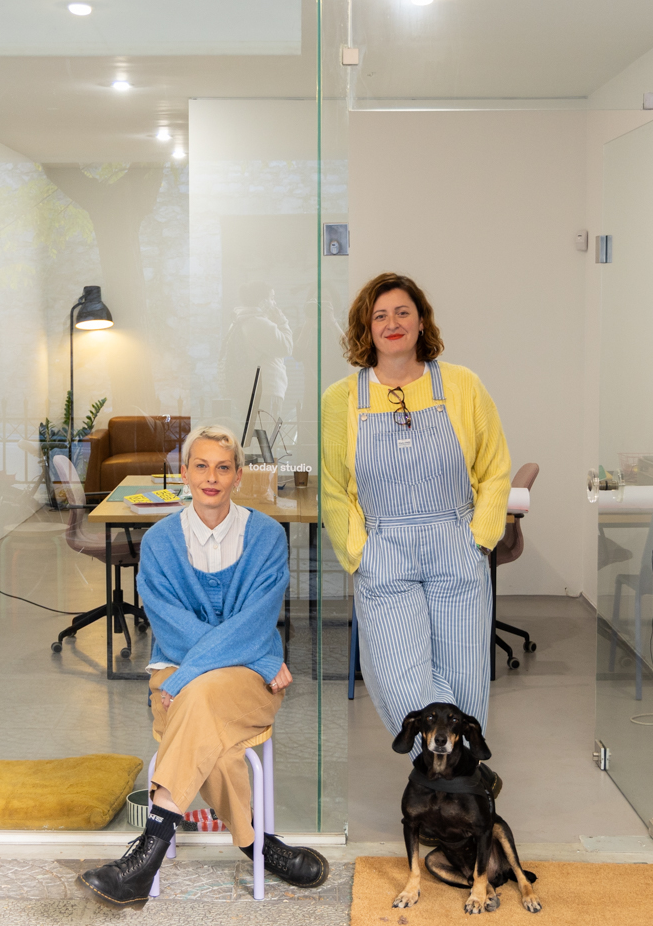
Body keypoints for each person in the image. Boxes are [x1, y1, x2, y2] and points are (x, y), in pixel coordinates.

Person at [78, 424, 329, 909]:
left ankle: (144, 857)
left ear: (238, 476)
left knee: (199, 697)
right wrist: (259, 653)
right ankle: (259, 846)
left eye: (223, 467)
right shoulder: (159, 542)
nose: (211, 477)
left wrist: (207, 668)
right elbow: (171, 630)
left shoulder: (267, 537)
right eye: (201, 466)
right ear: (184, 473)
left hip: (218, 682)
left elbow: (257, 621)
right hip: (216, 671)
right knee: (211, 726)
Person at [319, 273, 511, 784]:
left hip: (455, 541)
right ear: (366, 329)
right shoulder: (341, 399)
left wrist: (479, 539)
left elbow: (495, 469)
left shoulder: (462, 385)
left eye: (402, 312)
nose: (392, 323)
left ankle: (462, 788)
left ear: (421, 321)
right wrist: (358, 552)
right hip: (383, 547)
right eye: (379, 315)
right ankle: (454, 778)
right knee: (402, 678)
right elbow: (333, 488)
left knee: (465, 677)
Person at [220, 281, 294, 426]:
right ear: (263, 301)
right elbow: (287, 347)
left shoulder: (240, 320)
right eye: (272, 298)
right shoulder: (258, 323)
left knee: (253, 434)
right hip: (266, 390)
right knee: (265, 435)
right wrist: (282, 321)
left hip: (250, 389)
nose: (275, 303)